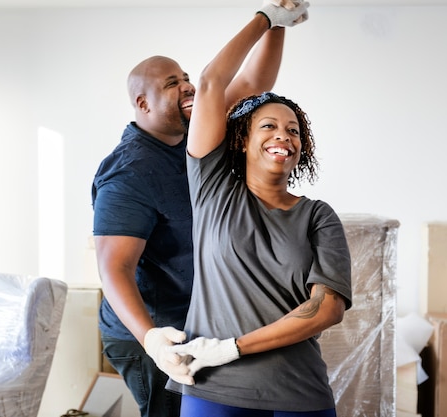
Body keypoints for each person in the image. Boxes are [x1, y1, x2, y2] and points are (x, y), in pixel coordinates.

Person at [90, 3, 309, 416]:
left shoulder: (195, 136)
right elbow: (112, 267)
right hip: (152, 328)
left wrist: (281, 22)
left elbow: (249, 84)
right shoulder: (130, 172)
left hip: (201, 322)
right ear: (142, 102)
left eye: (187, 78)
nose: (188, 87)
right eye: (173, 83)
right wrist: (152, 339)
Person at [165, 5, 352, 417]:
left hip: (298, 394)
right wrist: (270, 16)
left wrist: (231, 347)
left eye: (293, 130)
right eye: (268, 126)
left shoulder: (319, 216)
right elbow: (213, 81)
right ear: (242, 141)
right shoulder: (213, 190)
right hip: (214, 392)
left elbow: (327, 308)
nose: (283, 135)